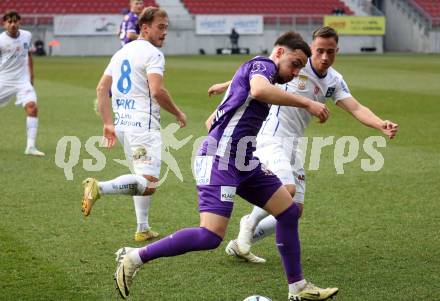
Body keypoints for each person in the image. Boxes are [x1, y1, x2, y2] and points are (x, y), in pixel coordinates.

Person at [113, 31, 339, 301]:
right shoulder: (263, 66)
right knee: (210, 236)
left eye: (301, 67)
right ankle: (134, 258)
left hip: (244, 160)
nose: (295, 72)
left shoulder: (261, 72)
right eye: (295, 64)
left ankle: (298, 288)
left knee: (289, 212)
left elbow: (215, 118)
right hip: (220, 159)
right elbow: (258, 89)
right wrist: (308, 102)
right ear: (279, 53)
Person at [208, 26, 399, 263]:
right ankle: (250, 222)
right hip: (270, 137)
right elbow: (260, 75)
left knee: (295, 210)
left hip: (293, 142)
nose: (324, 57)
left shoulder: (334, 80)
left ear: (337, 50)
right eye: (319, 51)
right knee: (285, 192)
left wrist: (380, 124)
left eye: (331, 52)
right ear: (311, 47)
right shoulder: (297, 62)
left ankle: (241, 243)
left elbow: (356, 107)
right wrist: (227, 85)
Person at [82, 7, 187, 242]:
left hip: (123, 124)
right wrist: (178, 112)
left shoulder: (121, 52)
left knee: (140, 176)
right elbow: (157, 91)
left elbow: (101, 89)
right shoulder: (153, 54)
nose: (164, 32)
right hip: (143, 127)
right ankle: (99, 187)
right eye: (160, 27)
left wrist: (108, 123)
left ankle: (142, 227)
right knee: (148, 184)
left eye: (166, 28)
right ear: (145, 27)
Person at [0, 10, 44, 156]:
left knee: (32, 107)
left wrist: (31, 75)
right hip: (4, 80)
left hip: (22, 81)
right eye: (9, 22)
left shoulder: (27, 35)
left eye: (15, 21)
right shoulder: (1, 40)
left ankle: (30, 147)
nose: (12, 24)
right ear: (4, 24)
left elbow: (29, 54)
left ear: (19, 22)